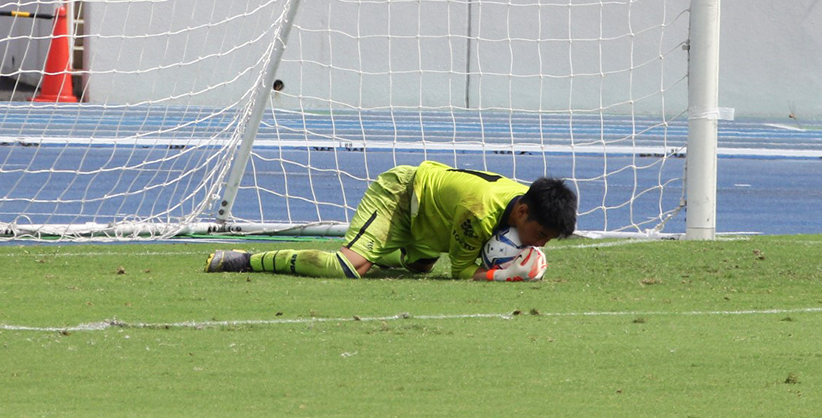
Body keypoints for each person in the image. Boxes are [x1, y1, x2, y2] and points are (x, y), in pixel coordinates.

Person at [204, 160, 577, 281]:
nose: (539, 245)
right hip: (401, 197)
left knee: (418, 267)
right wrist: (508, 273)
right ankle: (243, 259)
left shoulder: (518, 207)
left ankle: (385, 254)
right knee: (348, 268)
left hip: (433, 218)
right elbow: (463, 273)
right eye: (540, 235)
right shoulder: (480, 211)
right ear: (522, 212)